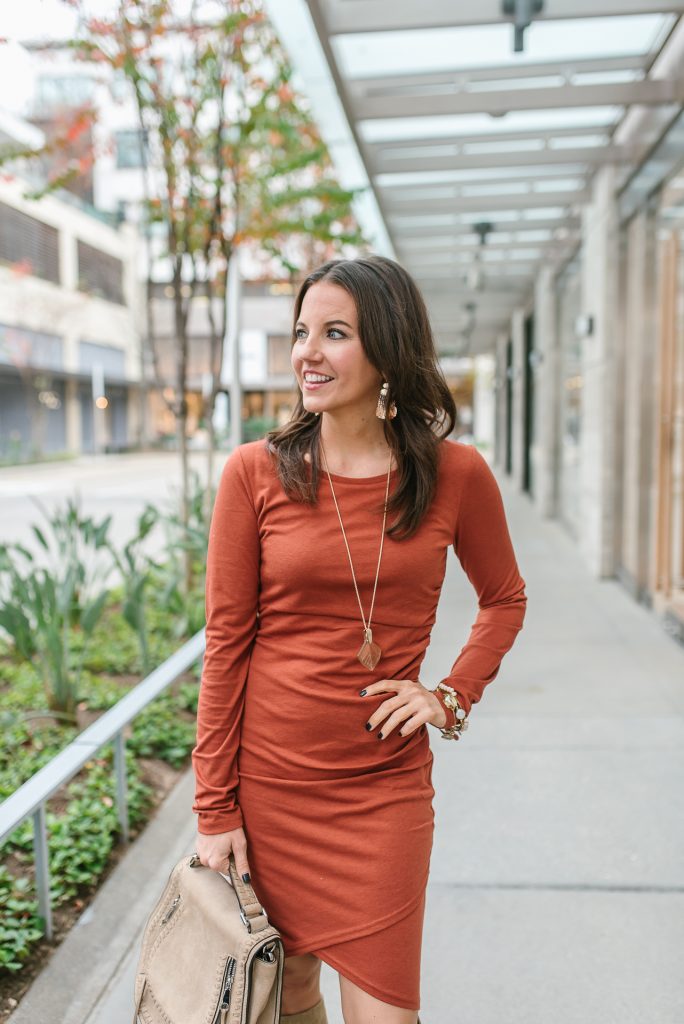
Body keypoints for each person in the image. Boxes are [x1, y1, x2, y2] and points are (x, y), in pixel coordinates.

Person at [192, 254, 528, 1024]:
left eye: (335, 333)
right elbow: (226, 645)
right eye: (302, 331)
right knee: (290, 993)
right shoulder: (254, 473)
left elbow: (504, 599)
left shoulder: (456, 475)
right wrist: (216, 809)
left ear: (388, 346)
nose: (308, 351)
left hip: (382, 791)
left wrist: (449, 696)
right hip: (270, 787)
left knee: (386, 1013)